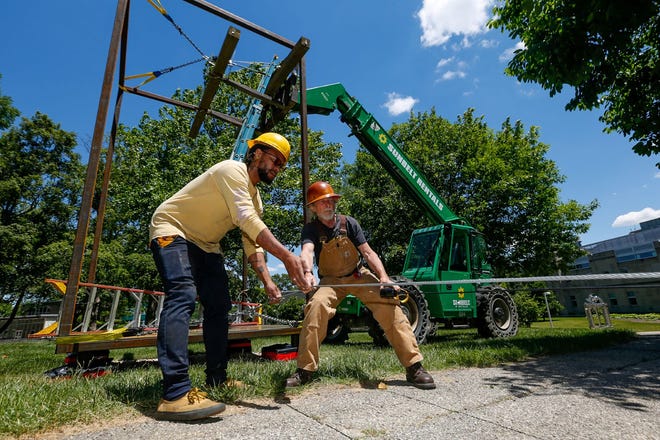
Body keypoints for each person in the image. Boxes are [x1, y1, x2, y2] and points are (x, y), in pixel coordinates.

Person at [149, 132, 310, 421]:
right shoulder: (231, 170)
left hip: (207, 245)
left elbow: (252, 243)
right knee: (183, 295)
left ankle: (216, 379)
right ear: (257, 153)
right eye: (275, 160)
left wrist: (268, 281)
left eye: (282, 165)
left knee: (219, 306)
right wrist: (287, 256)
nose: (277, 168)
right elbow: (244, 218)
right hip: (173, 229)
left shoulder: (255, 198)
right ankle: (174, 393)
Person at [286, 181, 435, 390]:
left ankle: (414, 367)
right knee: (315, 307)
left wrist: (384, 278)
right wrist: (308, 273)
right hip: (330, 281)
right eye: (322, 203)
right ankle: (305, 370)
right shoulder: (310, 229)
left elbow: (368, 252)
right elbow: (307, 252)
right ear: (312, 207)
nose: (328, 205)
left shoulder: (349, 223)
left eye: (330, 201)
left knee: (389, 303)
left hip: (358, 274)